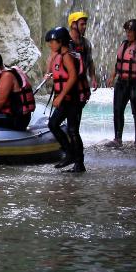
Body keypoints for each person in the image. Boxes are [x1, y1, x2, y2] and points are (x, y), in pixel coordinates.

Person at [45, 27, 89, 172]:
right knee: (53, 124)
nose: (50, 45)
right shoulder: (59, 55)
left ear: (61, 41)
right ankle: (70, 154)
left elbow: (73, 77)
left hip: (74, 99)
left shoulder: (67, 56)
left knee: (72, 130)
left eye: (52, 42)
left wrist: (61, 96)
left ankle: (79, 163)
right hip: (67, 99)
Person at [106, 19, 136, 148]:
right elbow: (119, 62)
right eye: (127, 31)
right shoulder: (124, 44)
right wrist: (112, 76)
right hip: (122, 82)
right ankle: (117, 139)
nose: (128, 33)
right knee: (117, 109)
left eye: (131, 31)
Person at [67, 11, 98, 90]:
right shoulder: (64, 42)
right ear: (73, 24)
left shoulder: (86, 43)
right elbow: (53, 57)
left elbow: (90, 62)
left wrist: (93, 77)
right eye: (82, 24)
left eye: (85, 24)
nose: (85, 26)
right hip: (67, 82)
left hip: (81, 82)